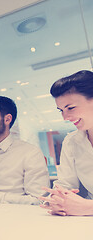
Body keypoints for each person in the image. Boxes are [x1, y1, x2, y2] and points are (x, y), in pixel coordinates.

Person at [40, 70, 93, 216]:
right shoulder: (71, 142)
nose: (65, 117)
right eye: (61, 110)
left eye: (70, 108)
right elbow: (66, 184)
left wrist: (88, 207)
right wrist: (55, 199)